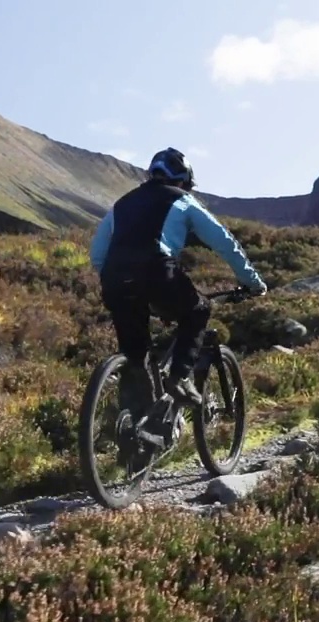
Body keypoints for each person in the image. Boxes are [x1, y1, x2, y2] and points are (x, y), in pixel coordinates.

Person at [89, 147, 267, 428]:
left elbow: (98, 255)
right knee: (198, 310)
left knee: (137, 357)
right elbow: (223, 241)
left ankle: (136, 433)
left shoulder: (121, 204)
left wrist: (123, 278)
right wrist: (252, 282)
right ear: (184, 180)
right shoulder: (183, 200)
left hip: (115, 279)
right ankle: (181, 377)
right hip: (156, 272)